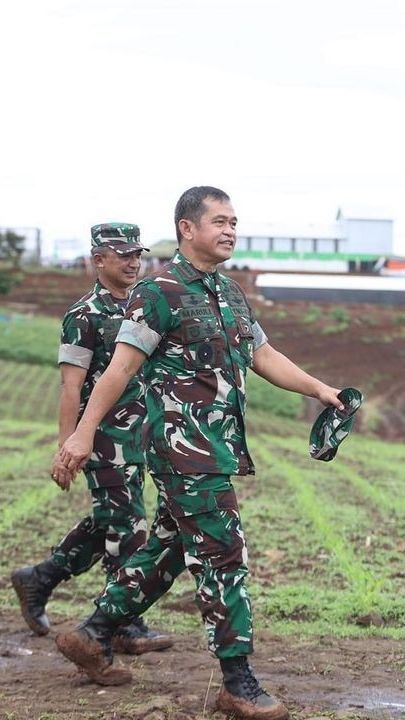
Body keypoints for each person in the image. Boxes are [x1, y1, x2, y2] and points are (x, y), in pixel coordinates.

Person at [55, 187, 346, 719]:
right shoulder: (156, 292)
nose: (230, 229)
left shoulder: (230, 292)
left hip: (218, 446)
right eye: (219, 220)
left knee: (169, 547)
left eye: (234, 221)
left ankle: (94, 632)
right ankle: (237, 680)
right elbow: (118, 370)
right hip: (182, 447)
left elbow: (262, 353)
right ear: (188, 229)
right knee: (223, 553)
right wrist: (80, 433)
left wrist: (318, 389)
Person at [11, 222, 172, 655]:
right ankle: (122, 623)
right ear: (98, 260)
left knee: (112, 520)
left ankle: (40, 577)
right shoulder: (84, 315)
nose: (133, 261)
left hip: (138, 437)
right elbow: (70, 386)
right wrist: (68, 445)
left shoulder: (142, 305)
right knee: (128, 525)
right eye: (123, 255)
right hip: (100, 439)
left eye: (137, 253)